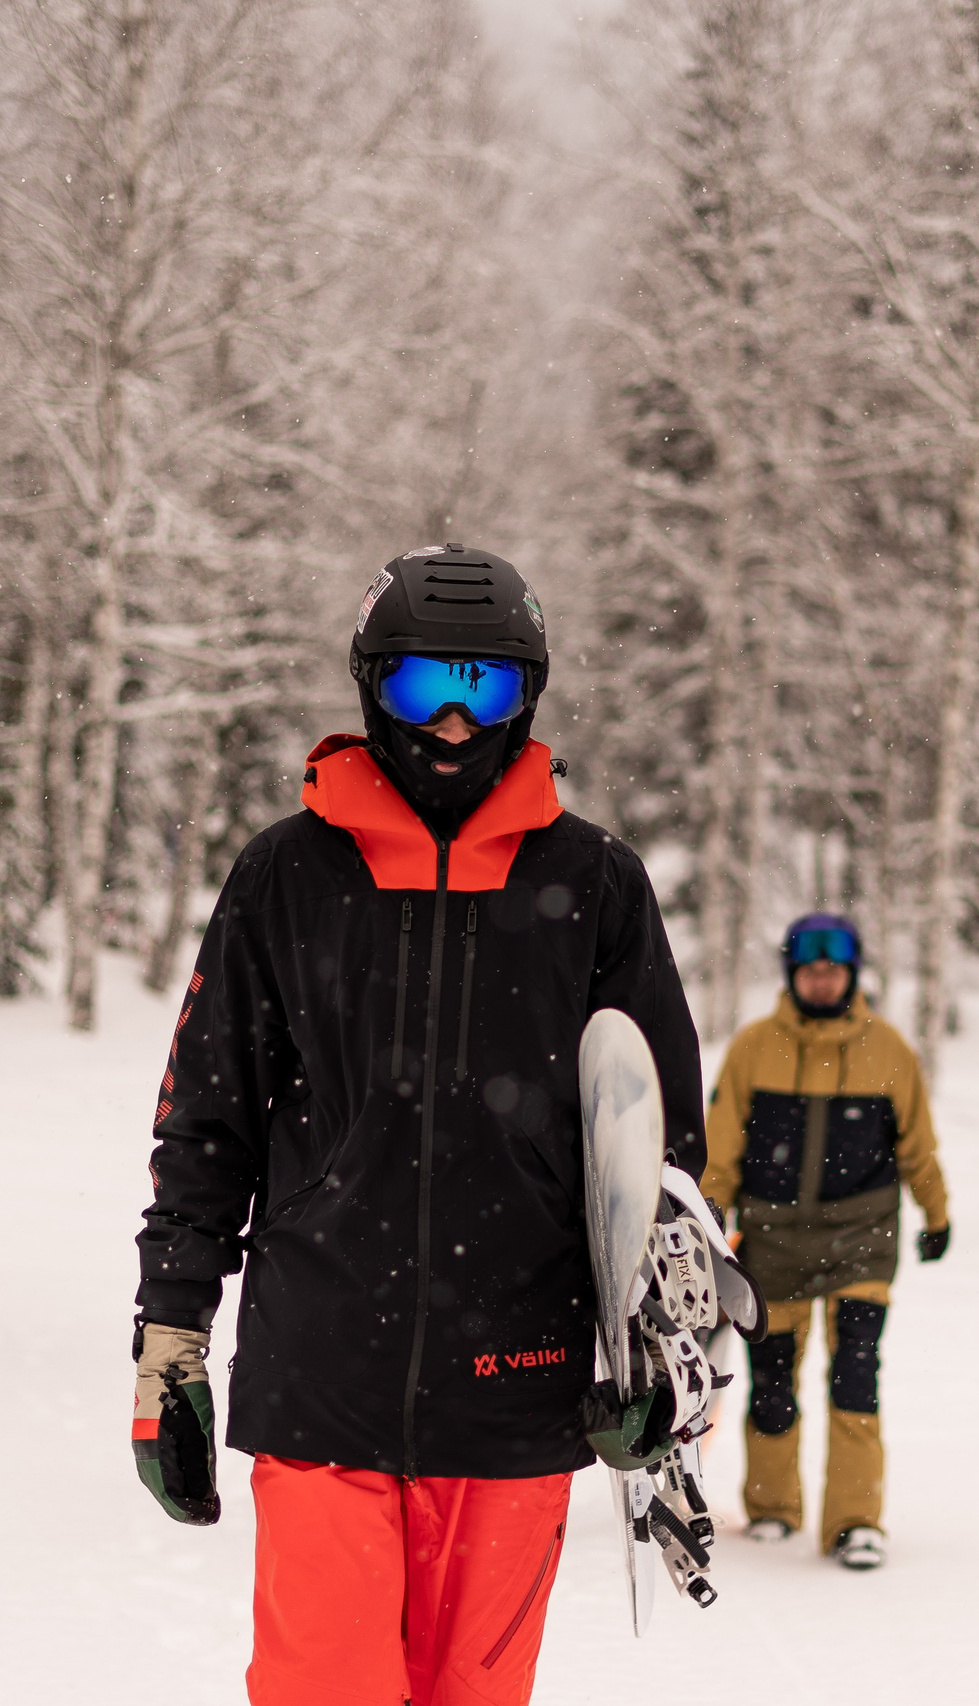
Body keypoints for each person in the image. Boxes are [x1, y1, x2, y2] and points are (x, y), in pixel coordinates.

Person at [128, 544, 706, 1706]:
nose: (452, 721)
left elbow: (659, 1148)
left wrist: (658, 1347)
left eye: (484, 687)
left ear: (527, 696)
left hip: (519, 1389)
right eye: (421, 684)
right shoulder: (286, 875)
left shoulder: (594, 884)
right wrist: (169, 1341)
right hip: (321, 1375)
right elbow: (206, 1125)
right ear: (369, 684)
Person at [701, 913, 950, 1571]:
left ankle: (855, 1521)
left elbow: (918, 1144)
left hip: (862, 1239)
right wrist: (706, 1216)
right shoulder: (754, 1048)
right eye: (810, 971)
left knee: (855, 1373)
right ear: (792, 975)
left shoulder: (888, 1050)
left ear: (851, 974)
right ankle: (773, 1509)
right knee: (773, 1381)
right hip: (772, 1243)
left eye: (832, 970)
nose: (821, 981)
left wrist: (937, 1214)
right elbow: (721, 1146)